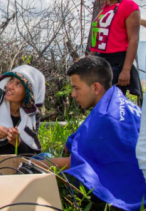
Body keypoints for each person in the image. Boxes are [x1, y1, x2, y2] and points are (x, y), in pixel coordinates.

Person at [34, 56, 146, 211]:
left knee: (44, 158)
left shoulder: (106, 119)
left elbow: (74, 163)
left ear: (95, 88)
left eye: (76, 88)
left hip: (131, 191)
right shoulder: (116, 101)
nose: (73, 94)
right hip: (139, 178)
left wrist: (32, 165)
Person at [90, 0, 142, 105]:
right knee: (101, 105)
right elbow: (98, 37)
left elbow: (133, 40)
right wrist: (89, 59)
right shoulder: (105, 8)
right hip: (101, 62)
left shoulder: (129, 6)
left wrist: (126, 70)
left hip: (117, 63)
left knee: (114, 106)